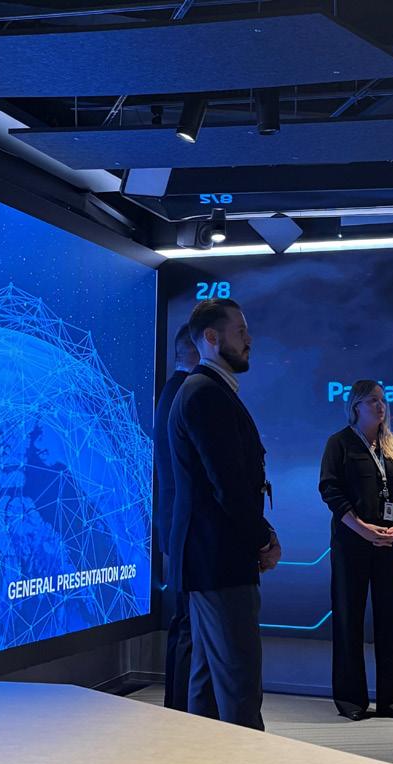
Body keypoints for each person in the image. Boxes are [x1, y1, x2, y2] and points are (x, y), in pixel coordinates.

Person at [167, 298, 279, 731]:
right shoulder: (205, 394)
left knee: (212, 684)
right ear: (211, 338)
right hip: (219, 562)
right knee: (237, 684)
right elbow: (228, 486)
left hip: (212, 560)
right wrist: (262, 539)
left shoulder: (208, 390)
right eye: (240, 331)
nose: (249, 339)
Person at [319, 380, 393, 721]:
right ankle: (351, 702)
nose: (381, 406)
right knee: (349, 619)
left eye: (383, 400)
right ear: (356, 406)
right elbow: (330, 491)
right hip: (351, 545)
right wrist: (362, 529)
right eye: (373, 400)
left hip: (391, 544)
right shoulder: (339, 444)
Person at [153, 323, 200, 711]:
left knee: (187, 621)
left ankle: (182, 707)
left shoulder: (176, 390)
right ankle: (181, 709)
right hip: (184, 528)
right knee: (186, 622)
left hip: (179, 526)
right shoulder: (183, 393)